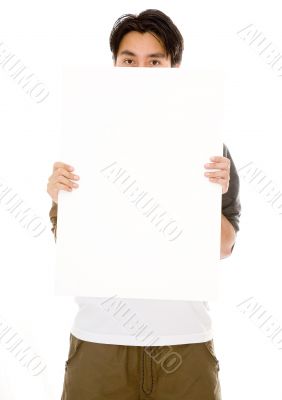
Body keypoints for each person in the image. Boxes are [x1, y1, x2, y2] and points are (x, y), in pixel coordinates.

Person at [47, 9, 241, 400]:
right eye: (128, 60)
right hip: (99, 343)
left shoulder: (209, 149)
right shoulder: (85, 138)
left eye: (154, 61)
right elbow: (72, 247)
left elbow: (222, 248)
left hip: (184, 345)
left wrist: (210, 196)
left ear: (174, 67)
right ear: (114, 66)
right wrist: (58, 199)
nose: (140, 71)